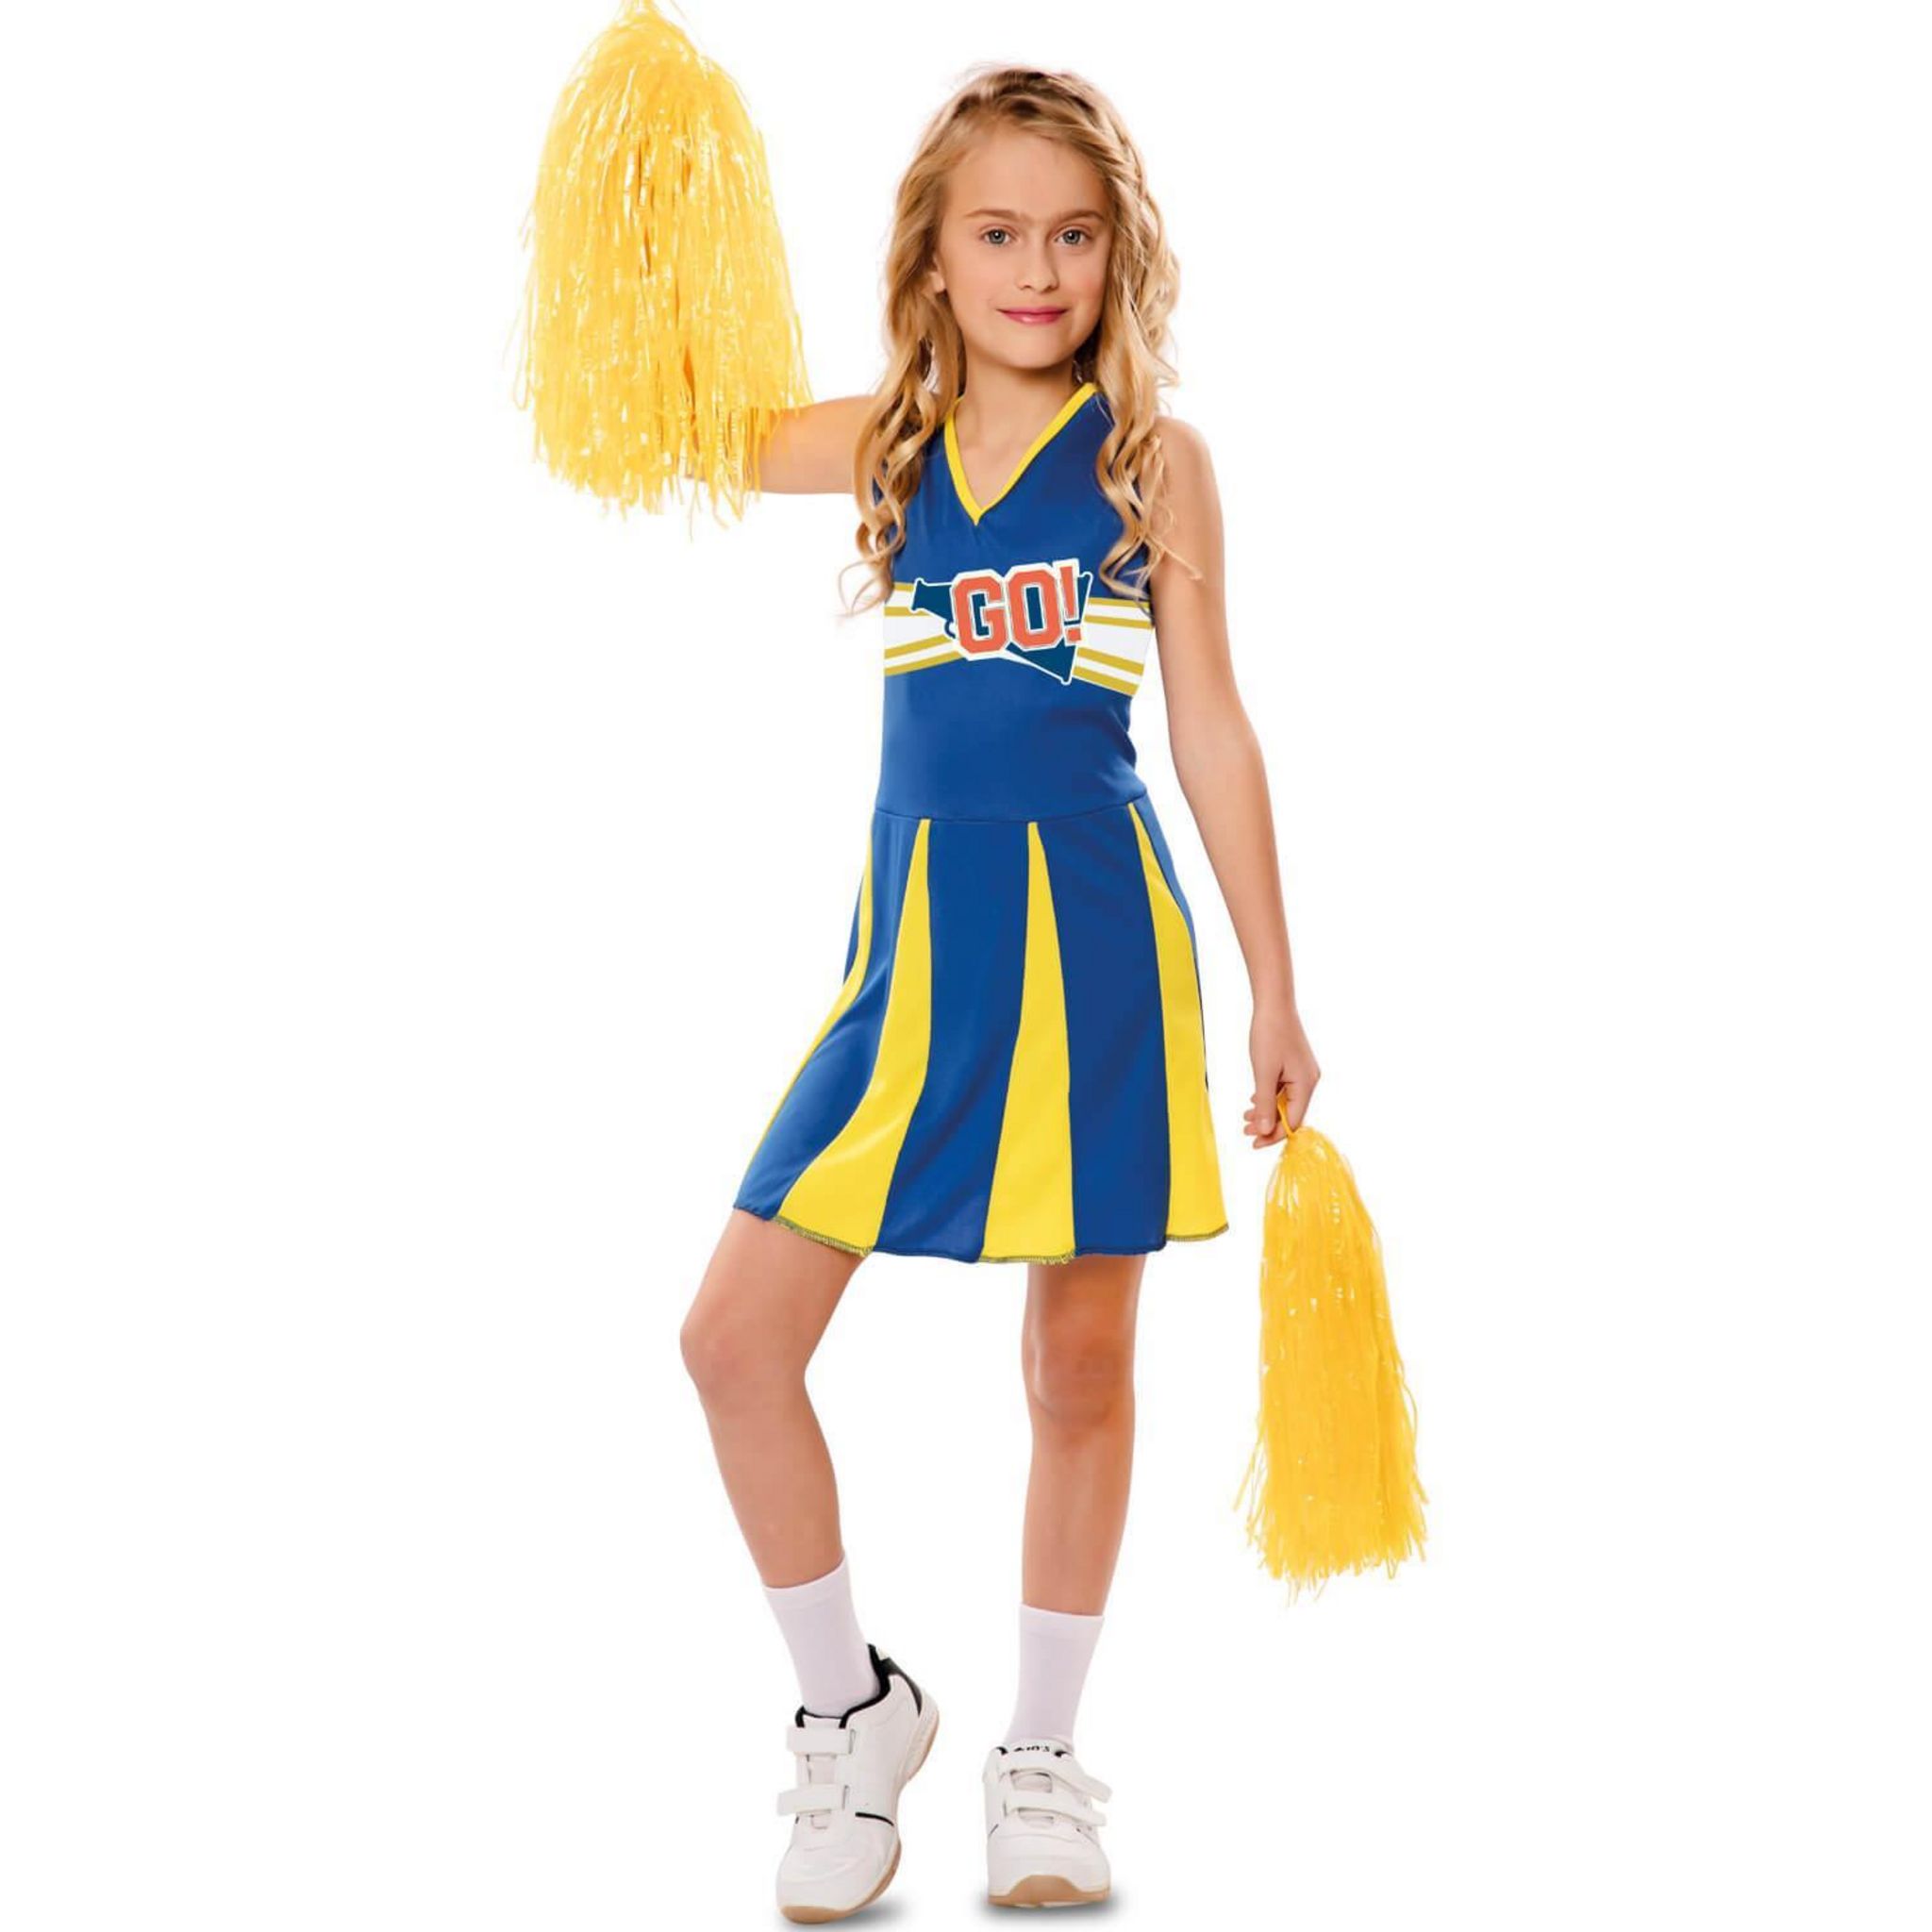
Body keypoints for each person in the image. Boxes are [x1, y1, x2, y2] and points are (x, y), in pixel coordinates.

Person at [677, 63, 1318, 1922]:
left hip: (1100, 947)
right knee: (732, 1341)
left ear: (1119, 251)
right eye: (998, 233)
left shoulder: (1150, 459)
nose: (1039, 271)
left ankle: (1040, 1760)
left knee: (1081, 1363)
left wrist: (1276, 987)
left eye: (1074, 234)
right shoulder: (889, 440)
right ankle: (852, 1715)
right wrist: (652, 175)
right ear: (933, 258)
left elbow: (1210, 723)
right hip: (915, 964)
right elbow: (678, 426)